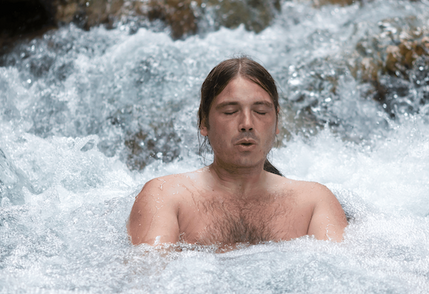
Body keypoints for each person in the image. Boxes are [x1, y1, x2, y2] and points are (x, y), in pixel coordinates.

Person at [128, 57, 348, 246]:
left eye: (260, 111)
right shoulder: (166, 196)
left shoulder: (313, 202)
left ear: (277, 121)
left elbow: (339, 280)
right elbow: (148, 280)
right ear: (203, 122)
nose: (246, 123)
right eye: (231, 111)